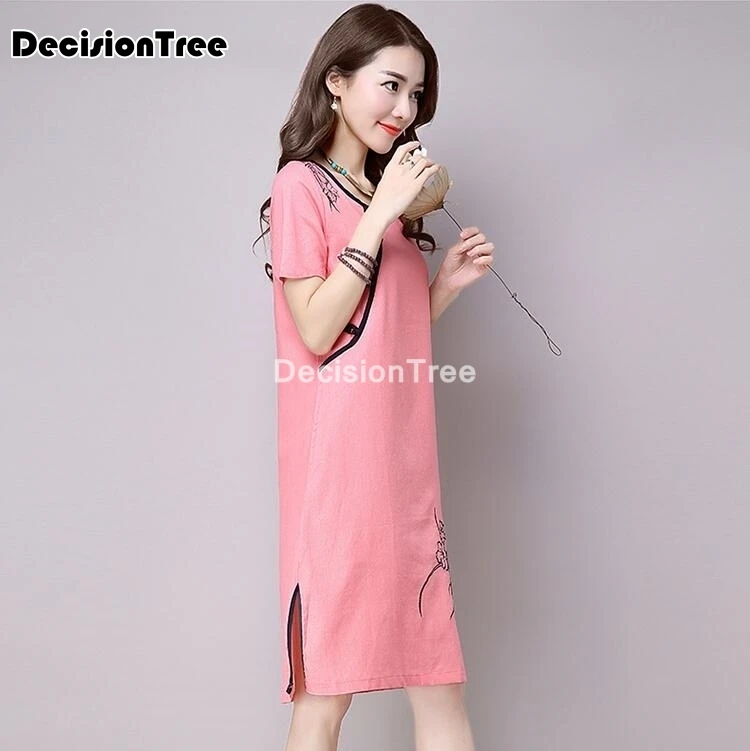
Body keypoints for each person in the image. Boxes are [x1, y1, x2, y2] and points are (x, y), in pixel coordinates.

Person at [254, 4, 494, 750]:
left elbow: (382, 338)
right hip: (339, 476)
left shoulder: (384, 205)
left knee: (440, 682)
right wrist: (381, 211)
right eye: (391, 85)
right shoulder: (301, 186)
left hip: (405, 469)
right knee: (326, 694)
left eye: (416, 93)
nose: (405, 108)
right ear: (336, 81)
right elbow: (317, 329)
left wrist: (443, 287)